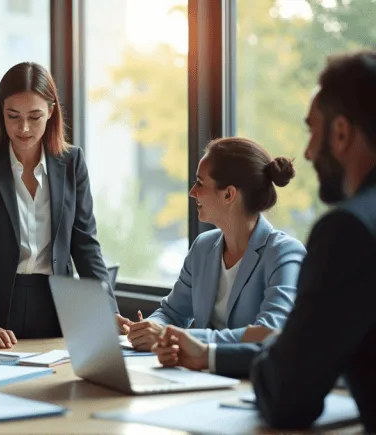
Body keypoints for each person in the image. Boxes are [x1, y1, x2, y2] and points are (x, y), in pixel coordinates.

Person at [151, 50, 376, 432]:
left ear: (340, 133)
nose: (306, 152)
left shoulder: (347, 231)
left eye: (311, 130)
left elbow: (288, 395)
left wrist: (273, 341)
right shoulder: (205, 247)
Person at [0, 61, 121, 349]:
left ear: (51, 112)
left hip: (56, 304)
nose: (23, 128)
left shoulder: (72, 163)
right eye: (13, 116)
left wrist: (109, 312)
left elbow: (85, 245)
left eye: (34, 117)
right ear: (1, 112)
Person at [127, 137, 306, 351]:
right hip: (197, 374)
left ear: (229, 194)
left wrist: (175, 337)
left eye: (200, 183)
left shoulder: (284, 254)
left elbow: (269, 333)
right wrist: (150, 329)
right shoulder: (203, 247)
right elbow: (171, 313)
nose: (192, 192)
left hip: (246, 379)